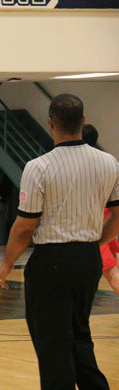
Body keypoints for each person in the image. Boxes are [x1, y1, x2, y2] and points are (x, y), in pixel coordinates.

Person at [0, 94, 119, 390]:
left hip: (51, 262)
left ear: (50, 123)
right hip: (89, 259)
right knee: (80, 336)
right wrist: (95, 242)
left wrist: (7, 263)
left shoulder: (38, 167)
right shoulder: (109, 162)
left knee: (53, 346)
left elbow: (25, 227)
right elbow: (117, 215)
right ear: (83, 120)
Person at [82, 123, 119, 295]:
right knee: (114, 270)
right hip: (108, 222)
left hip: (95, 226)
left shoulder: (81, 166)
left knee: (112, 275)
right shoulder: (108, 161)